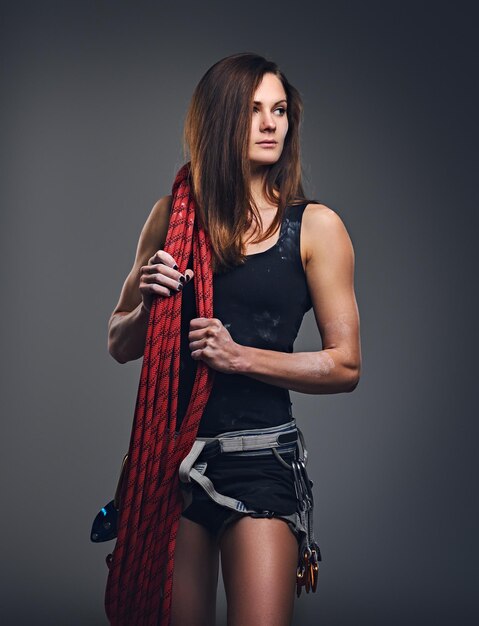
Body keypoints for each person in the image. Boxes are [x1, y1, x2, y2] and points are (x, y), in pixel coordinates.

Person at [107, 52, 361, 626]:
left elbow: (346, 366)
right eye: (254, 110)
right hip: (172, 463)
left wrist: (239, 357)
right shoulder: (172, 217)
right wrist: (149, 304)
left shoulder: (316, 227)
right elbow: (120, 342)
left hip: (261, 460)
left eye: (280, 110)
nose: (272, 124)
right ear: (222, 119)